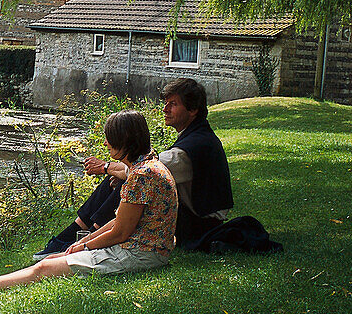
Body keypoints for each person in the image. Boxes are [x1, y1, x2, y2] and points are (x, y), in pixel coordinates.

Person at [0, 110, 177, 300]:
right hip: (146, 249)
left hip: (142, 254)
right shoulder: (148, 164)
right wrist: (81, 243)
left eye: (110, 139)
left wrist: (85, 246)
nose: (105, 144)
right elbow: (121, 221)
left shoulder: (141, 175)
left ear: (125, 141)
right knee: (53, 259)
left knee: (45, 268)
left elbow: (121, 231)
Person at [32, 77, 233, 259]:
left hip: (197, 225)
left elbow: (142, 173)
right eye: (165, 103)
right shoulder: (197, 136)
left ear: (193, 110)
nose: (165, 109)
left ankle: (76, 240)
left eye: (173, 104)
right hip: (191, 217)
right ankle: (73, 237)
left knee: (123, 183)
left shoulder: (189, 151)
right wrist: (111, 170)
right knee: (119, 180)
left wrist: (105, 167)